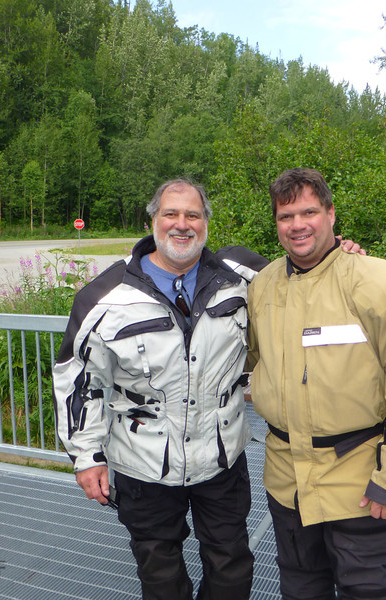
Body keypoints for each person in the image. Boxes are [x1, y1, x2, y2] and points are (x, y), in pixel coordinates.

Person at [53, 179, 268, 600]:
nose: (181, 224)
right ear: (153, 219)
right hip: (143, 463)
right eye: (171, 214)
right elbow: (79, 379)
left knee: (232, 567)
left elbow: (307, 278)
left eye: (193, 215)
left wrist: (341, 253)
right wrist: (86, 457)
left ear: (206, 222)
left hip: (221, 457)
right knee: (160, 574)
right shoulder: (105, 295)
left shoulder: (242, 276)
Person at [246, 168, 386, 600]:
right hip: (287, 483)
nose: (298, 224)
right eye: (285, 216)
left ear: (332, 214)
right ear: (276, 224)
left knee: (366, 592)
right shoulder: (261, 287)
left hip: (359, 485)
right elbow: (251, 359)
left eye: (309, 212)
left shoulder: (380, 282)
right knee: (300, 589)